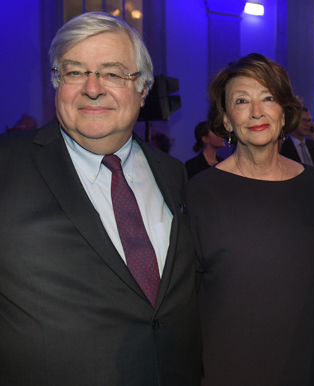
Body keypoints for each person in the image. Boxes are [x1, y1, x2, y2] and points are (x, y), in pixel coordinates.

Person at [0, 12, 201, 385]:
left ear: (142, 88)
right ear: (56, 83)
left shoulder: (174, 174)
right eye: (74, 72)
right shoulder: (6, 165)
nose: (92, 88)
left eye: (112, 73)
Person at [186, 53, 314, 386]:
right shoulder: (199, 191)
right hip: (229, 367)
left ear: (284, 111)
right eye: (241, 101)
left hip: (306, 363)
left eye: (268, 98)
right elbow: (184, 301)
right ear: (224, 119)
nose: (257, 112)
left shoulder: (313, 183)